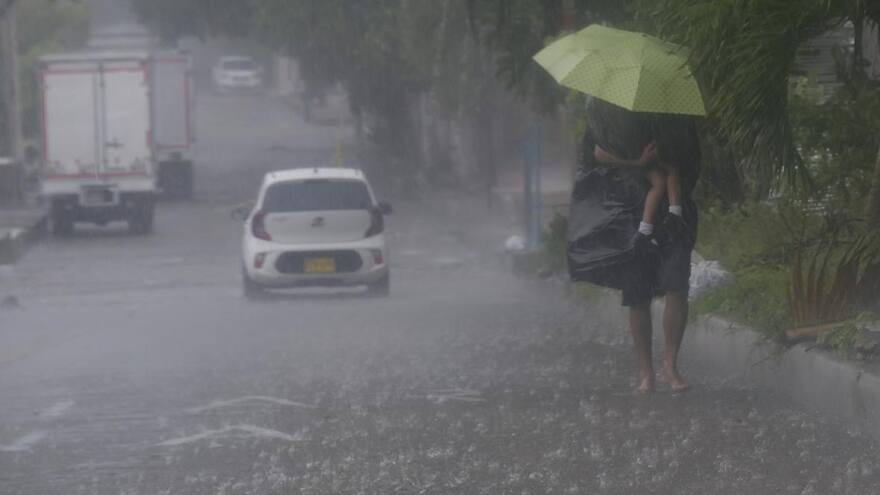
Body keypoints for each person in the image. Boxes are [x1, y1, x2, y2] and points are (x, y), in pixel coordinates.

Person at [567, 97, 700, 394]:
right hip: (628, 215)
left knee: (676, 287)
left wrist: (670, 182)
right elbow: (591, 160)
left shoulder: (674, 114)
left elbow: (691, 160)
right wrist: (634, 164)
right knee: (638, 295)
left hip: (674, 217)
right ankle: (646, 372)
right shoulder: (603, 118)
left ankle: (670, 366)